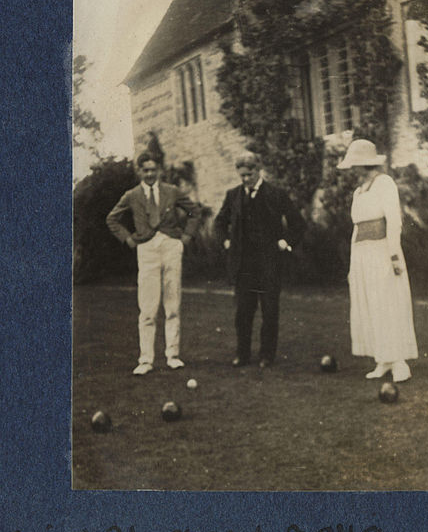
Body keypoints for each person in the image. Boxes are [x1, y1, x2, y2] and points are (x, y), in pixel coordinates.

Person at [106, 152, 201, 375]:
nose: (149, 174)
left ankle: (173, 355)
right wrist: (128, 239)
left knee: (172, 302)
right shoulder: (132, 195)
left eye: (153, 169)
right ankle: (146, 359)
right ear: (139, 171)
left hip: (170, 246)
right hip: (146, 249)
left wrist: (186, 237)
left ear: (160, 170)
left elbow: (194, 212)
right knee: (147, 307)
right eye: (145, 170)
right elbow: (112, 218)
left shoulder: (171, 191)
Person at [214, 151, 306, 368]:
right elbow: (219, 223)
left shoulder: (276, 194)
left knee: (269, 311)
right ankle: (242, 354)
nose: (245, 179)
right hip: (243, 266)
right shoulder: (233, 195)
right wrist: (226, 242)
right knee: (243, 313)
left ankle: (267, 355)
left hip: (269, 264)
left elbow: (298, 223)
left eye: (249, 174)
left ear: (258, 170)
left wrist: (286, 241)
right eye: (242, 176)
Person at [337, 139, 418, 382]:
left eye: (355, 166)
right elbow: (356, 230)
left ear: (364, 164)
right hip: (362, 256)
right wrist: (353, 266)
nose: (352, 171)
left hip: (382, 252)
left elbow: (394, 221)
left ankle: (399, 362)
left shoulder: (385, 183)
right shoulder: (359, 192)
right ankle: (383, 359)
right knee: (370, 306)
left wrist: (393, 256)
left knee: (388, 304)